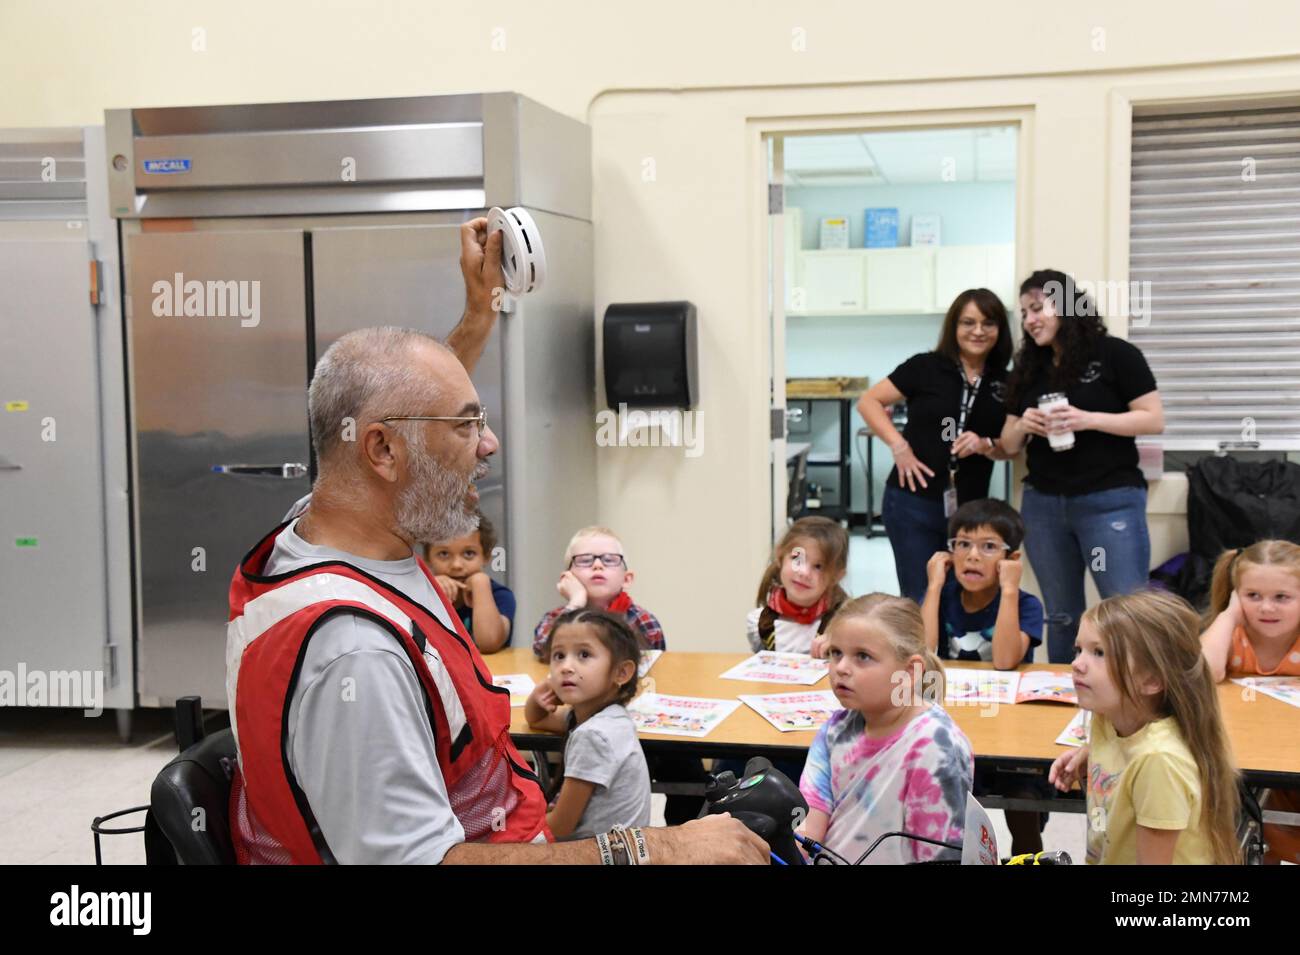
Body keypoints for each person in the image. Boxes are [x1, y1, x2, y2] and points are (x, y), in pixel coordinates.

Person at [224, 218, 765, 865]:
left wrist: (479, 317)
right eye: (467, 425)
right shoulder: (355, 656)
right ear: (383, 449)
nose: (489, 443)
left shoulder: (332, 521)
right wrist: (650, 849)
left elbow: (399, 411)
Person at [1000, 269, 1164, 663]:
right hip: (1043, 505)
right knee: (1060, 615)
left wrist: (1088, 419)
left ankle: (1133, 699)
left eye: (1038, 308)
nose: (1029, 320)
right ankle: (1065, 697)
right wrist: (1024, 424)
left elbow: (1152, 418)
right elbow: (1007, 445)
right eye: (1023, 313)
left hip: (1110, 499)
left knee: (1126, 611)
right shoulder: (1028, 368)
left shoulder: (1116, 354)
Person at [1049, 590, 1239, 864]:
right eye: (1079, 650)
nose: (1076, 664)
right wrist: (1088, 753)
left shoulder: (1159, 762)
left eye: (1099, 653)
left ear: (1151, 680)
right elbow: (1119, 745)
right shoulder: (1109, 717)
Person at [858, 289, 1015, 604]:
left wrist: (986, 444)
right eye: (968, 322)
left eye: (988, 323)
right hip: (911, 502)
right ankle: (922, 655)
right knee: (920, 594)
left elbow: (1009, 448)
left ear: (1000, 329)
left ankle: (955, 655)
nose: (978, 331)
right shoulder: (926, 366)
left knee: (965, 598)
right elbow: (868, 401)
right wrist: (899, 446)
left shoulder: (1007, 381)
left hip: (971, 510)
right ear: (953, 327)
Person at [797, 594, 974, 864]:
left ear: (910, 671)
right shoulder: (834, 731)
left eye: (863, 657)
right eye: (836, 653)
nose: (841, 668)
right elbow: (810, 830)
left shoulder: (936, 747)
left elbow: (940, 856)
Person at [1199, 540, 1300, 863]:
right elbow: (1203, 672)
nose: (1266, 608)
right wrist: (1229, 615)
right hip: (1244, 760)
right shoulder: (1231, 633)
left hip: (1292, 760)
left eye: (1281, 597)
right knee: (1249, 823)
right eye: (1252, 596)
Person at [525, 609, 652, 839]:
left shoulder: (594, 735)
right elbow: (538, 719)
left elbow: (559, 828)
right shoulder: (610, 717)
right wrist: (538, 696)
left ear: (621, 672)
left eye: (583, 655)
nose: (566, 667)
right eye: (559, 656)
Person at [921, 498, 1043, 670]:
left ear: (1011, 559)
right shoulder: (939, 598)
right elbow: (922, 655)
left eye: (989, 546)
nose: (973, 555)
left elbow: (1004, 662)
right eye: (963, 544)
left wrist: (1009, 590)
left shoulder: (1027, 606)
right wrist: (933, 586)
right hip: (949, 694)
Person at [532, 526, 664, 659]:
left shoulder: (642, 621)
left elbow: (657, 667)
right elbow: (543, 650)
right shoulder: (555, 618)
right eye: (585, 560)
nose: (597, 565)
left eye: (609, 560)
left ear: (626, 579)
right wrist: (576, 602)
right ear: (567, 578)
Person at [747, 516, 850, 657]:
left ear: (837, 576)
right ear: (780, 556)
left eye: (818, 566)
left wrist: (843, 646)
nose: (804, 572)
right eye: (797, 559)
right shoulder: (761, 622)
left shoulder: (845, 624)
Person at [424, 511, 514, 653]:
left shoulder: (501, 596)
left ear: (486, 556)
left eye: (469, 554)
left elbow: (489, 643)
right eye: (444, 554)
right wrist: (429, 590)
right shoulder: (420, 593)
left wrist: (480, 583)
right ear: (428, 559)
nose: (456, 565)